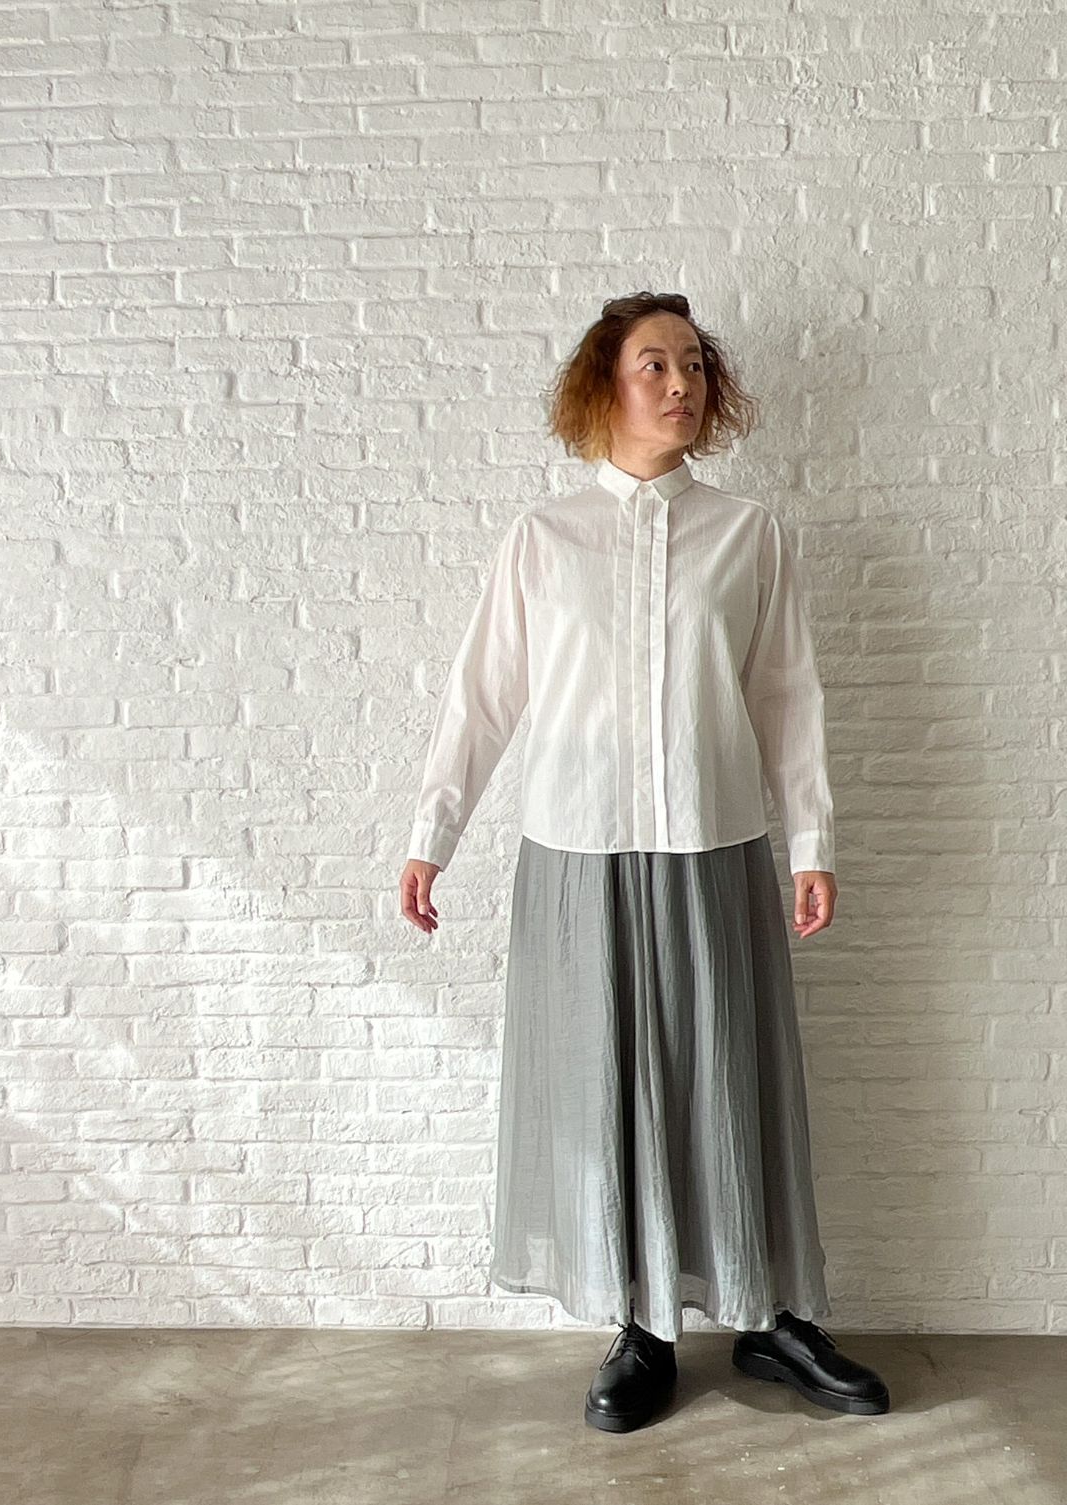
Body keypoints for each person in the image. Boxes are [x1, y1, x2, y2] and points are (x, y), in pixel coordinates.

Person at [398, 291, 890, 1432]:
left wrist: (810, 840)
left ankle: (773, 1316)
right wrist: (432, 836)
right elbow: (482, 697)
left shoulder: (747, 534)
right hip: (578, 854)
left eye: (693, 366)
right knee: (604, 1089)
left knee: (730, 1078)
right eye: (653, 365)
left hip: (714, 844)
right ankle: (643, 1328)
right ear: (604, 386)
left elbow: (786, 697)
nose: (680, 385)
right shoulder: (543, 538)